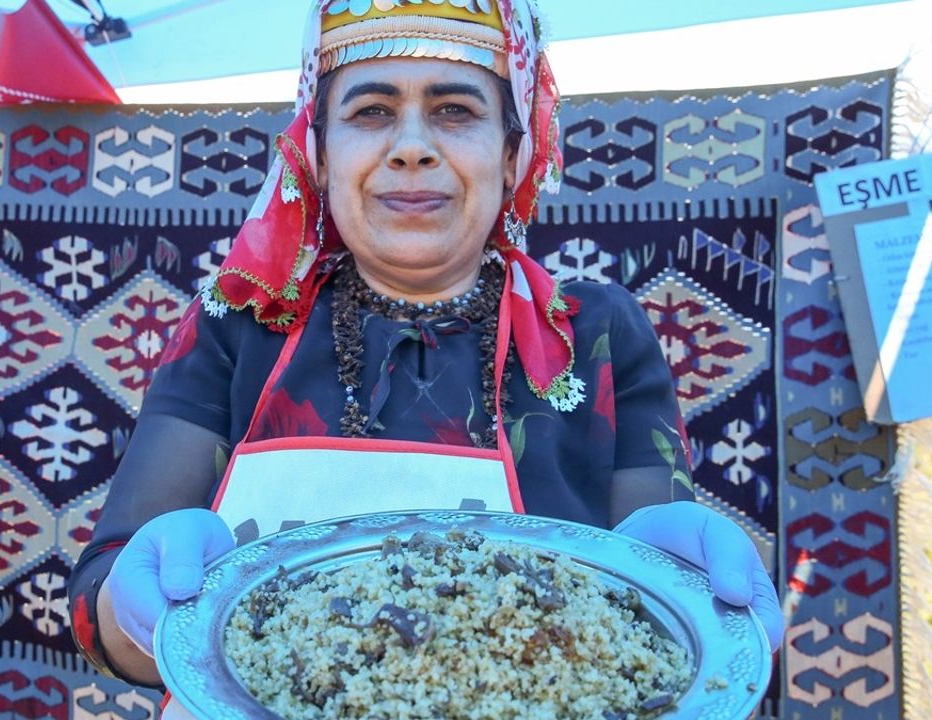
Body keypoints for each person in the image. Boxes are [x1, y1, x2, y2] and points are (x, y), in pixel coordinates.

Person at [67, 0, 784, 696]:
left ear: (513, 153)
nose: (411, 146)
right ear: (317, 154)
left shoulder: (594, 332)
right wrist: (138, 609)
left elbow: (647, 619)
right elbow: (99, 605)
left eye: (455, 111)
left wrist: (674, 590)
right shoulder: (239, 320)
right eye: (371, 111)